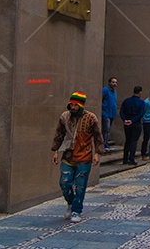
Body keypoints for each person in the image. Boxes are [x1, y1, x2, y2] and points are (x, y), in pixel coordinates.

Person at [51, 90, 103, 224]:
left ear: (81, 105)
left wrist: (97, 153)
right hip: (68, 155)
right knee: (64, 182)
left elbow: (98, 136)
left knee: (80, 185)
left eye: (76, 105)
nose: (73, 107)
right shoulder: (64, 117)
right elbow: (59, 134)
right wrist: (55, 150)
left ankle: (76, 210)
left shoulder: (91, 118)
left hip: (84, 155)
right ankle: (70, 202)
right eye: (71, 104)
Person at [119, 85, 145, 166]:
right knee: (133, 142)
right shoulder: (141, 102)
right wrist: (132, 121)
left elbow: (121, 111)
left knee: (127, 141)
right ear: (140, 92)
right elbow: (141, 113)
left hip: (127, 124)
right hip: (136, 123)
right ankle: (131, 159)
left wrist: (125, 120)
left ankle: (125, 159)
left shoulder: (126, 101)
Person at [101, 76, 118, 150]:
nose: (114, 84)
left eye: (116, 82)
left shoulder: (114, 92)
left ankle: (106, 143)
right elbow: (101, 98)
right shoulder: (105, 90)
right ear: (109, 83)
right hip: (105, 112)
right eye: (113, 82)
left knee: (108, 129)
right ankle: (104, 144)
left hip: (112, 113)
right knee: (106, 129)